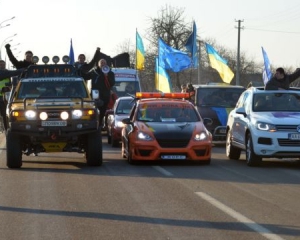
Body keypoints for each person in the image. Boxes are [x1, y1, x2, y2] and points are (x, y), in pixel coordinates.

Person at [81, 58, 115, 128]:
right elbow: (86, 77)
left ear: (106, 64)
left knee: (102, 111)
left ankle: (100, 124)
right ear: (98, 64)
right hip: (95, 95)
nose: (103, 64)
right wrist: (81, 70)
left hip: (105, 95)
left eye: (104, 63)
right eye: (101, 63)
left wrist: (107, 76)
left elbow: (112, 83)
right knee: (94, 110)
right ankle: (94, 124)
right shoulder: (94, 72)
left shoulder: (110, 73)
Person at [0, 60, 24, 130]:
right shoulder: (5, 73)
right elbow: (15, 72)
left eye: (3, 64)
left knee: (5, 115)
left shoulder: (7, 73)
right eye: (0, 64)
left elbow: (11, 84)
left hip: (5, 97)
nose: (2, 66)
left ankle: (6, 129)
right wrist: (23, 70)